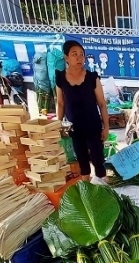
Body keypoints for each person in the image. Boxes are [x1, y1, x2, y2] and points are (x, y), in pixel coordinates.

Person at [55, 40, 110, 183]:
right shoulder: (61, 78)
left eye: (81, 54)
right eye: (74, 54)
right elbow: (60, 103)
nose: (79, 58)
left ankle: (103, 188)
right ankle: (86, 189)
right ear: (66, 57)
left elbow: (102, 104)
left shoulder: (92, 78)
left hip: (93, 126)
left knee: (98, 159)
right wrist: (57, 125)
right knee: (82, 160)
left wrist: (106, 127)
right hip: (75, 128)